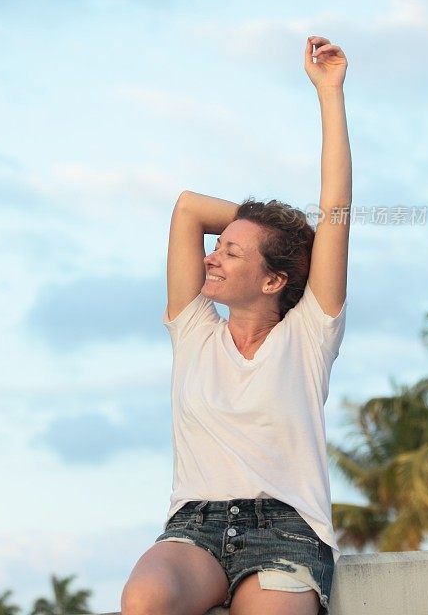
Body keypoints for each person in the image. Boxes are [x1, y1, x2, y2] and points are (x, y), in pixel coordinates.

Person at [121, 36, 351, 615]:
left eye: (231, 254)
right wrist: (284, 231)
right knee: (143, 599)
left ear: (274, 281)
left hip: (286, 536)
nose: (210, 258)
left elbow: (337, 211)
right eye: (218, 248)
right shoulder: (194, 325)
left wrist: (329, 92)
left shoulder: (309, 335)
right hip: (193, 528)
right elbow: (187, 207)